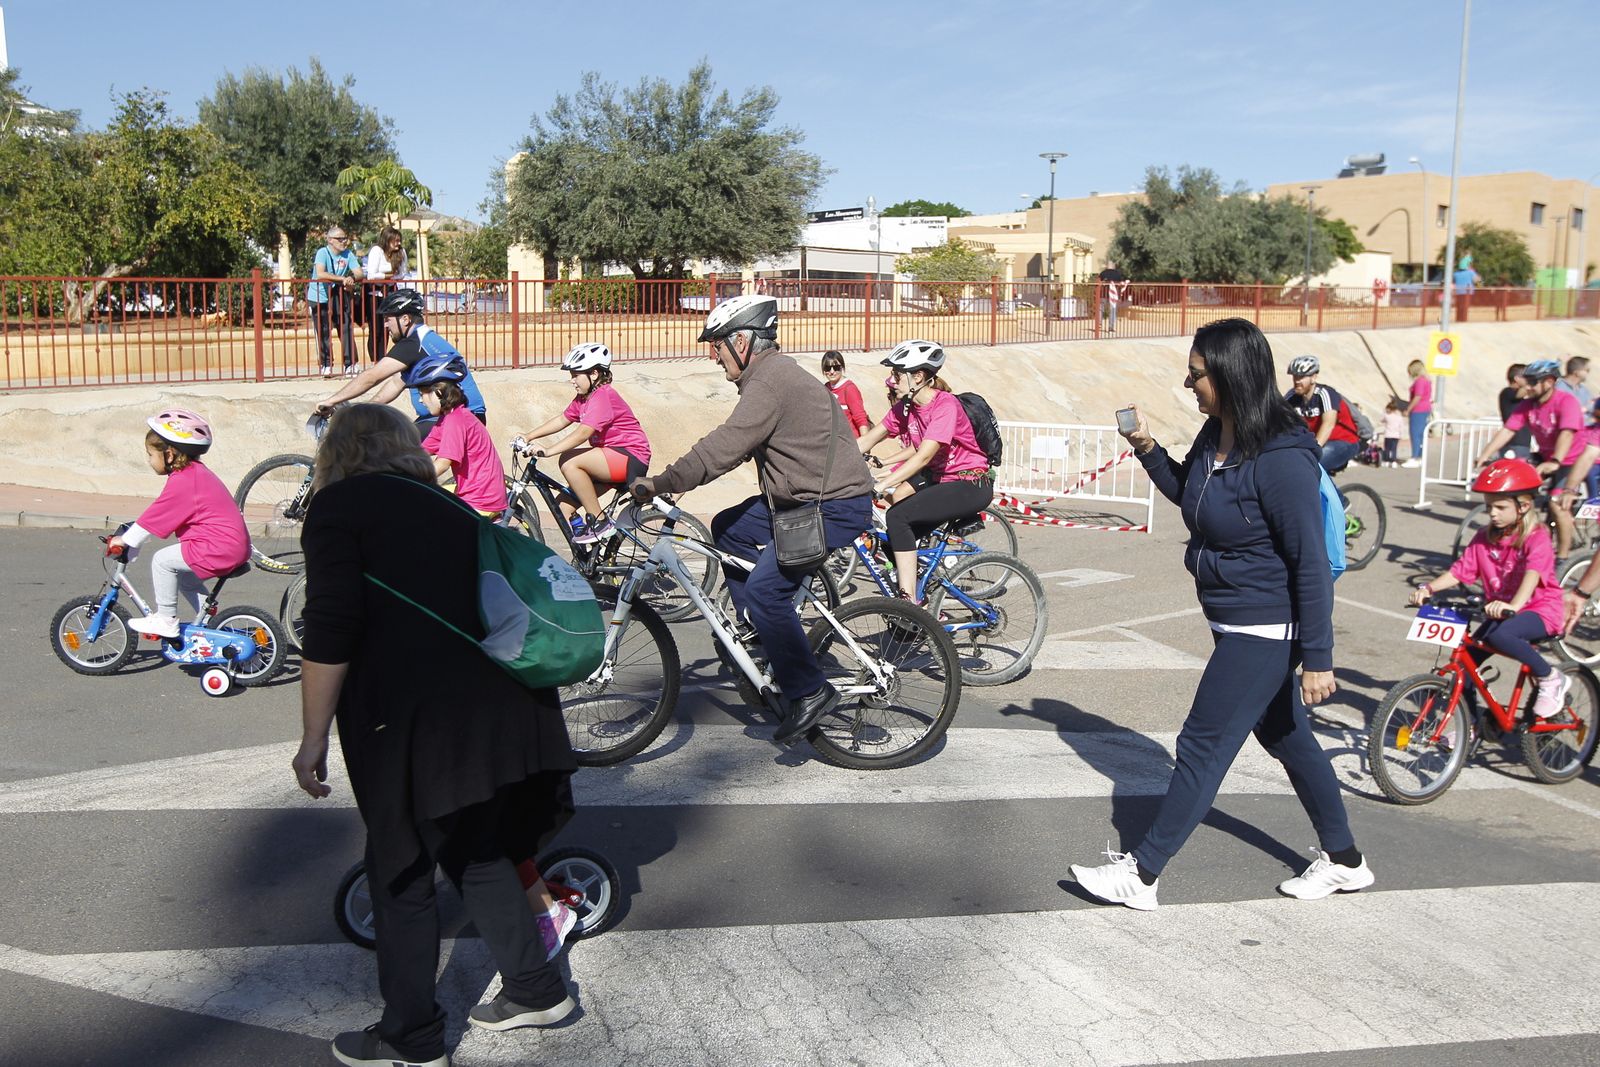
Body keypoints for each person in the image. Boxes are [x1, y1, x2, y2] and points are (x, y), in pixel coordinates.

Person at [292, 403, 580, 1067]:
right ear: (408, 449)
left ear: (337, 455)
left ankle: (412, 1037)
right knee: (476, 849)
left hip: (419, 724)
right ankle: (539, 989)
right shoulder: (450, 507)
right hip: (507, 709)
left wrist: (312, 738)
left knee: (400, 872)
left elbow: (331, 627)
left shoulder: (340, 509)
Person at [1068, 318, 1372, 910]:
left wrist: (1318, 657)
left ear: (1230, 375)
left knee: (1202, 742)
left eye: (1197, 373)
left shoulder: (1282, 459)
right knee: (1286, 737)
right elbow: (1192, 496)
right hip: (1232, 617)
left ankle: (1143, 873)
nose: (1188, 383)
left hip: (1266, 625)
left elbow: (1309, 563)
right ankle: (1344, 860)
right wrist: (1150, 450)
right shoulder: (1216, 433)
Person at [627, 294, 874, 746]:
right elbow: (746, 445)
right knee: (728, 528)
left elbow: (727, 444)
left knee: (765, 593)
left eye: (717, 345)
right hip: (799, 500)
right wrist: (685, 478)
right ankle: (760, 632)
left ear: (741, 341)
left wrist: (662, 482)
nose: (711, 353)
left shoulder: (770, 382)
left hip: (832, 505)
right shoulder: (769, 378)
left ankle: (810, 690)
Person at [1408, 458, 1570, 718]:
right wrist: (1428, 588)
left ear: (1524, 506)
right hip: (1502, 612)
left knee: (1501, 636)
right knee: (1464, 665)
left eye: (1500, 507)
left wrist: (1514, 606)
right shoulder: (1485, 536)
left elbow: (1532, 574)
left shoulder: (1536, 536)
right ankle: (1469, 729)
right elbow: (1460, 570)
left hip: (1539, 610)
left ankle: (1550, 677)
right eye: (1489, 507)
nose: (1492, 513)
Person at [854, 340, 994, 604]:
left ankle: (910, 602)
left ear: (917, 376)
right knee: (888, 541)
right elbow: (867, 440)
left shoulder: (945, 405)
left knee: (898, 517)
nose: (891, 380)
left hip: (970, 482)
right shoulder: (905, 408)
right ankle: (925, 600)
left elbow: (924, 456)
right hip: (939, 480)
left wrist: (882, 485)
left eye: (896, 374)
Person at [106, 409, 251, 638]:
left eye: (151, 454)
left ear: (170, 455)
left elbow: (155, 515)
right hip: (229, 545)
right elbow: (159, 518)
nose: (149, 460)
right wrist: (133, 542)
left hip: (220, 546)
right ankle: (212, 622)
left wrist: (124, 540)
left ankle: (166, 620)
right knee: (185, 577)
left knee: (162, 561)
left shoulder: (185, 481)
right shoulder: (194, 474)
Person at [513, 343, 651, 544]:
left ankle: (601, 522)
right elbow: (562, 419)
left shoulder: (603, 395)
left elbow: (583, 433)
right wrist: (528, 436)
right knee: (564, 506)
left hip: (630, 456)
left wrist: (549, 450)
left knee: (569, 461)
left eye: (576, 375)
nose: (572, 380)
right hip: (609, 458)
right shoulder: (583, 398)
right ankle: (593, 555)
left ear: (594, 374)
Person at [314, 288, 487, 434]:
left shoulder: (415, 343)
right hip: (441, 417)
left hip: (463, 416)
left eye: (388, 319)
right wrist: (363, 410)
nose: (386, 325)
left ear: (405, 319)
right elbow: (396, 384)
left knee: (398, 452)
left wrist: (332, 400)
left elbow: (372, 376)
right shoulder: (418, 342)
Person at [1473, 359, 1585, 563]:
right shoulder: (1527, 405)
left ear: (1549, 382)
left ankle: (1562, 558)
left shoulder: (1566, 402)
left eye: (1532, 383)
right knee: (1516, 489)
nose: (1527, 387)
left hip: (1571, 459)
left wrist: (1556, 461)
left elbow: (1567, 434)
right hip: (1545, 455)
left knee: (1557, 504)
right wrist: (1484, 454)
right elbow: (1508, 429)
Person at [409, 351, 508, 518]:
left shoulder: (456, 420)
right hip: (474, 492)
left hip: (480, 499)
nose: (420, 401)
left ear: (439, 392)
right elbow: (420, 451)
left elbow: (442, 464)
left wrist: (413, 479)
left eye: (422, 394)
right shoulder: (448, 417)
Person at [1283, 355, 1363, 473]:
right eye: (1295, 376)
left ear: (1313, 377)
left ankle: (1329, 492)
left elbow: (1328, 425)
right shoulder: (1292, 397)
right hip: (1314, 443)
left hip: (1343, 442)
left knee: (1310, 465)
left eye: (1301, 377)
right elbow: (1281, 424)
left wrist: (1313, 450)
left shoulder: (1325, 394)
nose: (1297, 381)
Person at [307, 226, 365, 378]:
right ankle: (326, 364)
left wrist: (352, 277)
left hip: (337, 294)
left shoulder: (348, 254)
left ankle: (350, 363)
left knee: (345, 326)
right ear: (330, 240)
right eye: (340, 239)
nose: (344, 242)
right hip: (319, 296)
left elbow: (359, 272)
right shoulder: (322, 252)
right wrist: (342, 279)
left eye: (345, 238)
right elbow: (320, 273)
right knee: (323, 330)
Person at [363, 226, 410, 365]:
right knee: (375, 328)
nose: (398, 244)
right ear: (387, 240)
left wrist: (388, 277)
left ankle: (383, 358)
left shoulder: (401, 253)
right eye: (395, 241)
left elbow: (402, 273)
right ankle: (374, 360)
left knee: (387, 327)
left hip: (390, 293)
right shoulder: (376, 251)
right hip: (375, 295)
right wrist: (389, 275)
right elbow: (372, 275)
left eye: (399, 240)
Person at [821, 351, 871, 437]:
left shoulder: (849, 389)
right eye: (827, 368)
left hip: (851, 441)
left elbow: (860, 418)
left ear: (842, 367)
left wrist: (865, 445)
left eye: (836, 367)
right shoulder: (826, 387)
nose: (832, 372)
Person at [1401, 359, 1433, 467]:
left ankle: (1415, 457)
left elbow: (1417, 397)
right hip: (1425, 408)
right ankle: (1420, 457)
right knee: (1421, 435)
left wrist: (1408, 409)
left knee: (1415, 434)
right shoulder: (1426, 380)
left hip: (1418, 410)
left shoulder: (1419, 381)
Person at [1498, 363, 1533, 460]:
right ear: (1517, 378)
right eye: (1527, 377)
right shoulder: (1507, 392)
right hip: (1513, 443)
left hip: (1523, 443)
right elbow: (1520, 393)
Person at [1098, 261, 1129, 332]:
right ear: (1113, 266)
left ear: (1107, 266)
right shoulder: (1118, 274)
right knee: (1112, 310)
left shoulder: (1103, 273)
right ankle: (1111, 327)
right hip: (1113, 295)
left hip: (1103, 294)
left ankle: (1099, 324)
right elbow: (1120, 284)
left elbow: (1099, 282)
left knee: (1100, 309)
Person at [1381, 398, 1405, 467]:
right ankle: (1393, 461)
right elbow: (1401, 427)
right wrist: (1401, 435)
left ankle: (1387, 460)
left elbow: (1382, 420)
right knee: (1394, 448)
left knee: (1387, 448)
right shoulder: (1399, 417)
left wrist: (1384, 412)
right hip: (1396, 435)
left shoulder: (1387, 416)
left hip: (1388, 435)